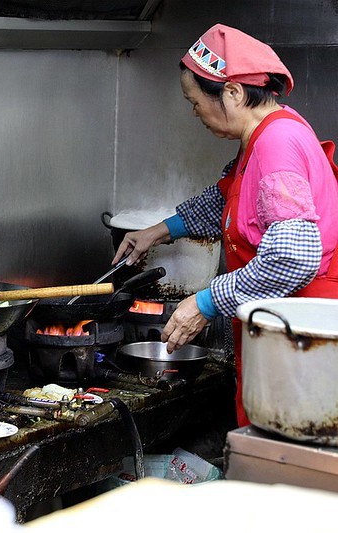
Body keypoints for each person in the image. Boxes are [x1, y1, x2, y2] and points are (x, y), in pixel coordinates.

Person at [113, 23, 338, 426]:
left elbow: (293, 257)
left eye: (195, 101)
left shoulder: (276, 145)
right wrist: (158, 231)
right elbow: (229, 197)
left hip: (305, 340)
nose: (194, 111)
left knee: (284, 464)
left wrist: (204, 303)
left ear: (232, 93)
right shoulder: (270, 130)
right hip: (287, 332)